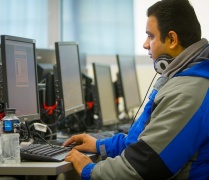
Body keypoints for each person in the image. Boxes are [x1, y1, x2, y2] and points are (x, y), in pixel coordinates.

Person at [63, 0, 209, 179]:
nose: (145, 44)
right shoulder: (185, 79)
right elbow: (145, 142)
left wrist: (90, 170)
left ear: (172, 39)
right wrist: (100, 145)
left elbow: (144, 167)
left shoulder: (189, 92)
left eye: (151, 36)